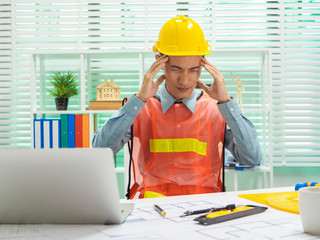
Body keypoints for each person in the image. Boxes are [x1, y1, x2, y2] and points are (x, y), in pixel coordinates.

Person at [92, 15, 262, 199]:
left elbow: (252, 158)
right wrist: (139, 99)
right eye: (176, 69)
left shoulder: (217, 108)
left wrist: (227, 103)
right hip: (152, 208)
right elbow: (100, 150)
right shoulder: (140, 107)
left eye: (194, 69)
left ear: (203, 65)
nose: (185, 80)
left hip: (204, 207)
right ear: (159, 62)